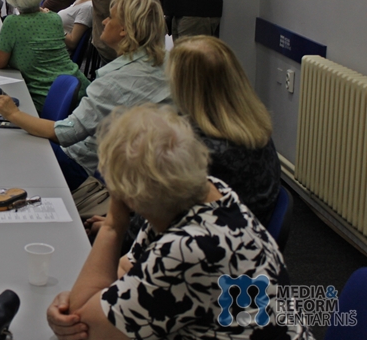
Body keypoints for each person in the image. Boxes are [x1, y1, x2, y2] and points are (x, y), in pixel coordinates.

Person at [46, 105, 311, 340]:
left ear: (130, 197)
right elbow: (126, 269)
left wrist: (113, 225)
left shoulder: (188, 248)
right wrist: (96, 300)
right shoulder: (200, 191)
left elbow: (86, 329)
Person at [0, 0, 171, 192]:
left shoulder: (113, 82)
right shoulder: (169, 66)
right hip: (135, 170)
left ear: (124, 29)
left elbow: (66, 133)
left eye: (110, 17)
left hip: (83, 169)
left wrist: (13, 114)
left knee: (8, 143)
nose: (104, 21)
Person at [169, 36, 281, 224]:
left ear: (186, 90)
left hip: (217, 235)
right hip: (251, 229)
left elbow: (147, 225)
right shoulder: (253, 127)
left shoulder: (203, 153)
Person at [0, 0, 89, 114]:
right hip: (75, 86)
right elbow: (38, 53)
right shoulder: (54, 18)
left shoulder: (12, 22)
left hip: (44, 95)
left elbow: (0, 63)